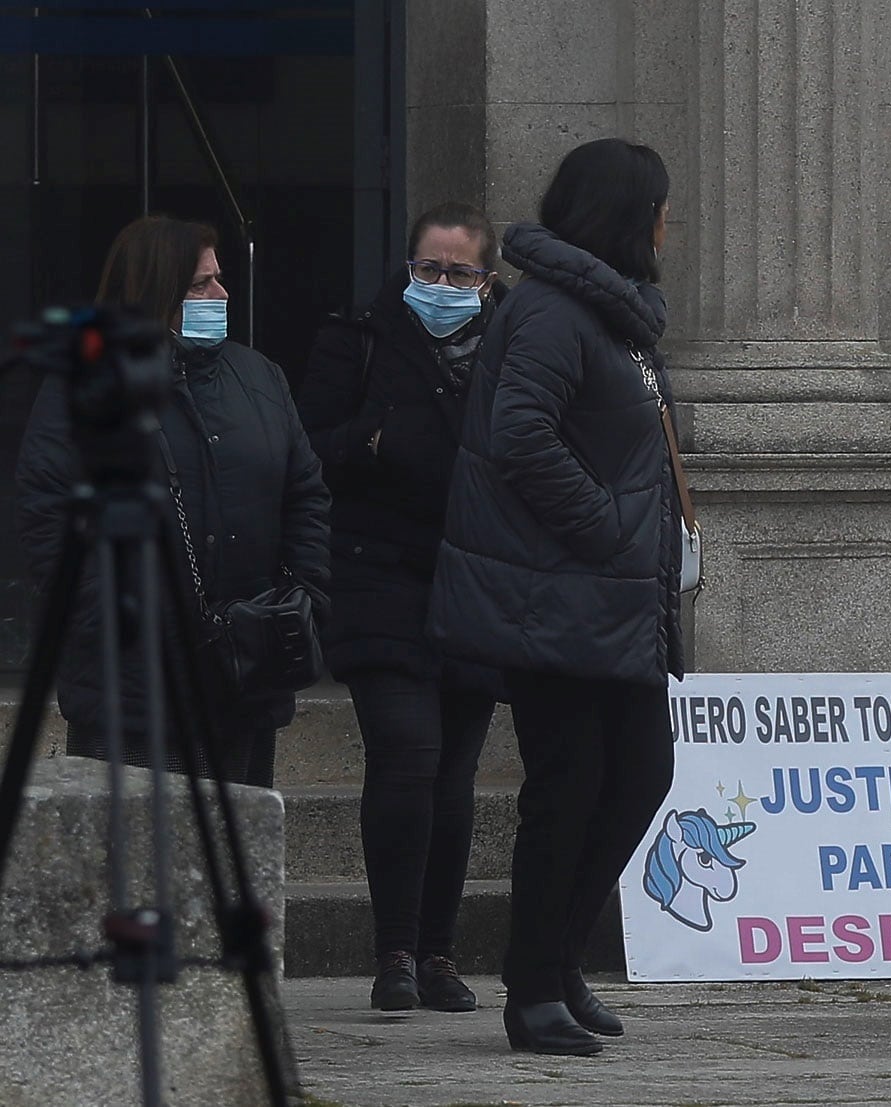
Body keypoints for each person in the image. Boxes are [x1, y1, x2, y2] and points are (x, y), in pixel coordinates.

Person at [428, 138, 682, 1057]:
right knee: (567, 789)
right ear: (625, 215)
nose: (668, 223)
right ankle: (532, 987)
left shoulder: (617, 319)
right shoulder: (549, 314)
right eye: (658, 205)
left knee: (639, 775)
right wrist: (610, 528)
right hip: (558, 598)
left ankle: (558, 960)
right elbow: (521, 438)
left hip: (615, 602)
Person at [15, 214, 330, 788]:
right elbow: (52, 517)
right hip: (133, 686)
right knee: (131, 867)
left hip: (243, 672)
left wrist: (301, 596)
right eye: (200, 284)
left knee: (240, 854)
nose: (221, 294)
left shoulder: (258, 378)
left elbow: (305, 493)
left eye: (218, 278)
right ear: (154, 291)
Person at [297, 202, 504, 1015]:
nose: (442, 285)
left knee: (454, 773)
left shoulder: (511, 349)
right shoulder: (359, 338)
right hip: (377, 575)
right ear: (407, 265)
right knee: (406, 755)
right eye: (428, 269)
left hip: (475, 579)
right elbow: (307, 446)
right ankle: (393, 951)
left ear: (488, 281)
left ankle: (439, 951)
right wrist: (371, 440)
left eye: (460, 273)